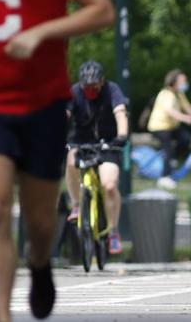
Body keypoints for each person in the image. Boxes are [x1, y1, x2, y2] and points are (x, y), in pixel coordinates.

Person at [0, 0, 114, 320]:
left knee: (39, 222)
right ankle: (1, 315)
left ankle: (39, 262)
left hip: (42, 106)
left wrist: (41, 32)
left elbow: (102, 9)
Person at [65, 60, 129, 255]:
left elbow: (120, 113)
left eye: (94, 86)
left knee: (109, 185)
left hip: (108, 142)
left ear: (102, 82)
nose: (90, 90)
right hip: (81, 141)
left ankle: (113, 231)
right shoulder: (75, 91)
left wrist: (121, 137)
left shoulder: (112, 90)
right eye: (87, 87)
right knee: (70, 160)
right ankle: (76, 205)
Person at [147, 69, 191, 189]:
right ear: (174, 82)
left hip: (171, 127)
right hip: (159, 127)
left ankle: (172, 159)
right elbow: (169, 111)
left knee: (186, 138)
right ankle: (164, 177)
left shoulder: (179, 94)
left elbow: (188, 108)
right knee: (168, 148)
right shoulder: (166, 94)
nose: (185, 83)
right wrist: (185, 118)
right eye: (183, 81)